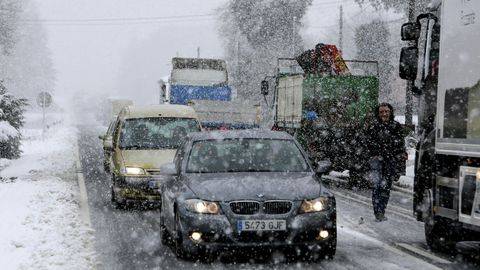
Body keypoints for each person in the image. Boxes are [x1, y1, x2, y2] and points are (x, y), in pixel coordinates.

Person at [366, 103, 406, 222]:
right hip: (376, 161)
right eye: (382, 112)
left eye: (386, 111)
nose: (384, 114)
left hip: (390, 160)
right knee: (377, 186)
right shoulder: (373, 127)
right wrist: (376, 152)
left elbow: (400, 143)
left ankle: (382, 210)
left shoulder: (396, 126)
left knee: (386, 187)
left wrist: (396, 155)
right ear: (378, 114)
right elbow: (368, 142)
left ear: (390, 112)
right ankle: (377, 211)